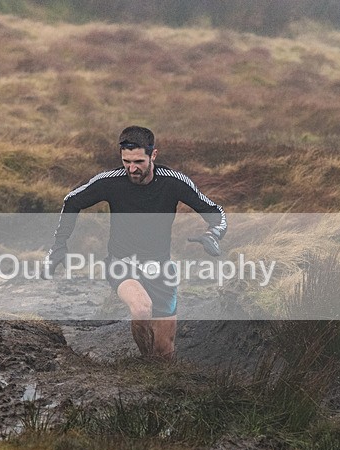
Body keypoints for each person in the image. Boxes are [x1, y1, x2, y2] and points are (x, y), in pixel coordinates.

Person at [44, 126, 226, 361]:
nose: (131, 168)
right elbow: (71, 201)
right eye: (126, 161)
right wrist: (59, 245)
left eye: (138, 161)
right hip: (121, 264)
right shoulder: (110, 182)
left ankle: (157, 373)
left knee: (165, 352)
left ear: (154, 155)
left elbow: (216, 212)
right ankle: (144, 361)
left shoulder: (174, 182)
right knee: (141, 308)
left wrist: (213, 234)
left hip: (161, 267)